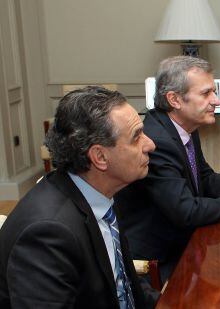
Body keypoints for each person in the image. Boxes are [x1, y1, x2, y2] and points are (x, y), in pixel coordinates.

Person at [115, 56, 220, 282]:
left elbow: (205, 178)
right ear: (174, 99)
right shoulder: (158, 140)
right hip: (157, 263)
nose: (216, 101)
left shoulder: (183, 126)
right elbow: (186, 211)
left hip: (182, 244)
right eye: (206, 93)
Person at [0, 86, 157, 308]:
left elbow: (120, 281)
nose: (150, 144)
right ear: (100, 157)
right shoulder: (47, 234)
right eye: (136, 137)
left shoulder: (101, 191)